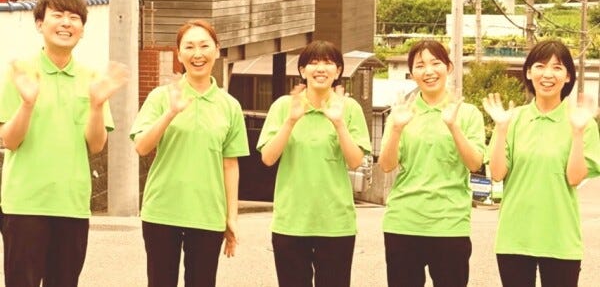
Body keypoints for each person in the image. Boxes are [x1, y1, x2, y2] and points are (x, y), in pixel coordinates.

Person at [0, 0, 128, 287]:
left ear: (82, 30)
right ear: (39, 24)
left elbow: (96, 144)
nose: (66, 23)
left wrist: (96, 105)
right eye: (57, 15)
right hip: (25, 204)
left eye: (74, 17)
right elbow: (10, 141)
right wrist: (27, 104)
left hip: (72, 203)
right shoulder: (21, 73)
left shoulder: (92, 79)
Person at [130, 19, 249, 287]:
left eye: (204, 46)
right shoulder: (161, 96)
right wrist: (170, 113)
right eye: (190, 47)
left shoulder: (229, 105)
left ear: (217, 50)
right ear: (179, 53)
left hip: (208, 213)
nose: (198, 54)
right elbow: (142, 146)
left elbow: (230, 165)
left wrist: (231, 216)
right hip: (162, 211)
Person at [483, 39, 600, 287]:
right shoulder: (512, 119)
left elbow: (574, 178)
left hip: (561, 240)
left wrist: (577, 132)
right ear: (528, 72)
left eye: (557, 67)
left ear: (568, 77)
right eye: (540, 66)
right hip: (514, 238)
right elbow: (497, 174)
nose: (548, 74)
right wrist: (501, 129)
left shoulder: (582, 122)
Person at [257, 40, 371, 287]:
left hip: (336, 223)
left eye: (328, 63)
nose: (320, 68)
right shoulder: (284, 106)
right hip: (291, 222)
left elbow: (355, 161)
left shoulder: (349, 108)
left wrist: (339, 123)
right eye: (313, 63)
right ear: (302, 70)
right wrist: (290, 121)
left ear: (338, 71)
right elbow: (268, 157)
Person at [379, 39, 485, 287]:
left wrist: (454, 127)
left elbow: (474, 164)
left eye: (435, 63)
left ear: (448, 67)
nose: (428, 71)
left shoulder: (467, 113)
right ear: (412, 72)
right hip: (403, 222)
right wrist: (396, 128)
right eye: (420, 65)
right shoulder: (401, 112)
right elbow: (386, 165)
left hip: (450, 224)